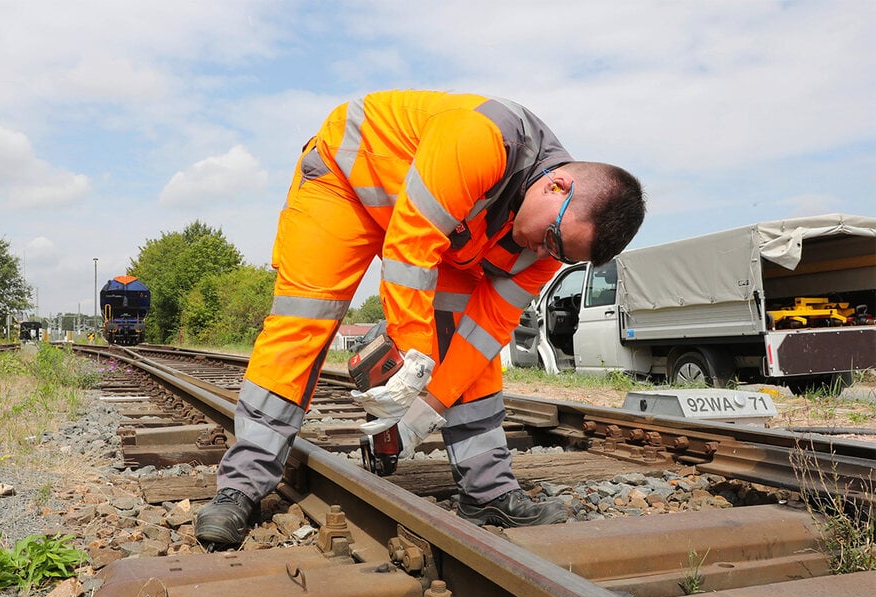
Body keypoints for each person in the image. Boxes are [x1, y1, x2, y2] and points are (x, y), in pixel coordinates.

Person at [194, 89, 646, 545]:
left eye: (561, 254)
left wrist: (422, 412)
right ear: (557, 187)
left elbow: (484, 333)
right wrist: (413, 363)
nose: (545, 253)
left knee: (467, 343)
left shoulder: (549, 250)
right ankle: (240, 488)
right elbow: (410, 248)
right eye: (550, 238)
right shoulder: (481, 138)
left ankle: (487, 491)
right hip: (346, 183)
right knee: (304, 319)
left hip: (447, 230)